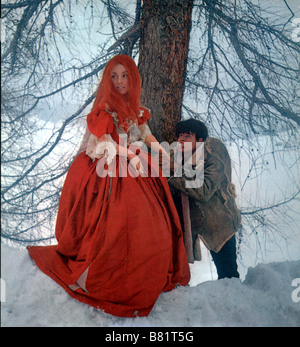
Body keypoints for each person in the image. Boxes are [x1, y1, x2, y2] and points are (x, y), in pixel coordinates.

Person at [27, 55, 190, 318]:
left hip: (137, 168)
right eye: (114, 76)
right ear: (107, 79)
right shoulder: (103, 108)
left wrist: (161, 151)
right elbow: (101, 145)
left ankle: (145, 277)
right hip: (108, 167)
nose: (119, 81)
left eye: (124, 75)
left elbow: (145, 133)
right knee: (116, 225)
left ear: (133, 78)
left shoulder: (134, 106)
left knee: (151, 225)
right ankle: (111, 278)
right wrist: (132, 155)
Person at [163, 118, 241, 279]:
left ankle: (233, 302)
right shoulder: (177, 154)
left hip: (220, 221)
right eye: (180, 136)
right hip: (191, 223)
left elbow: (203, 191)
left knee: (228, 274)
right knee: (178, 273)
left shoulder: (213, 159)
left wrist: (172, 173)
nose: (181, 140)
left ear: (199, 140)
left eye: (187, 136)